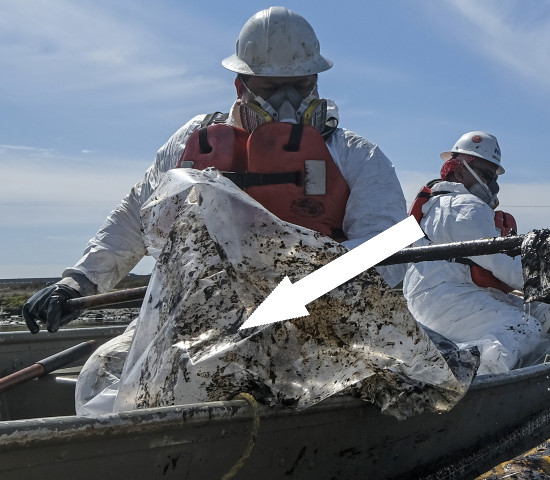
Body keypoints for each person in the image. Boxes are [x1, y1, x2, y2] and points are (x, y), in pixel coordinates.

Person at [22, 6, 407, 335]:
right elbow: (135, 217)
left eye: (300, 86)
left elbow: (386, 251)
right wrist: (80, 281)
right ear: (242, 85)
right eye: (272, 87)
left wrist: (291, 299)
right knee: (106, 387)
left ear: (316, 82)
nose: (288, 102)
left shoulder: (357, 156)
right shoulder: (192, 143)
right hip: (196, 318)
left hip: (315, 321)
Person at [403, 132, 550, 374]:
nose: (492, 184)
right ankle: (479, 373)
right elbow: (507, 268)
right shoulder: (467, 207)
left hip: (433, 297)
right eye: (486, 175)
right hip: (447, 301)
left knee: (540, 311)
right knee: (525, 326)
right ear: (459, 171)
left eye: (494, 177)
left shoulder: (433, 205)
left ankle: (494, 359)